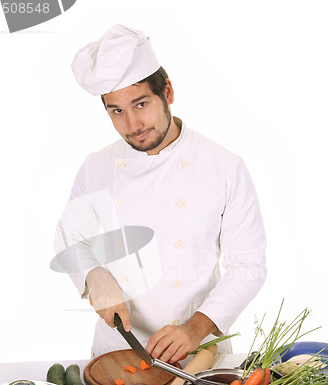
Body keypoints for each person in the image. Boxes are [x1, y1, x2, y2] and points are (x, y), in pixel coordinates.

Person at [53, 24, 267, 364]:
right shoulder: (96, 167)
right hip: (117, 350)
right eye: (117, 111)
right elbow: (69, 236)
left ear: (167, 91)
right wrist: (93, 274)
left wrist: (196, 327)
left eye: (140, 104)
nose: (133, 125)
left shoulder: (224, 167)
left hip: (198, 351)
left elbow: (249, 265)